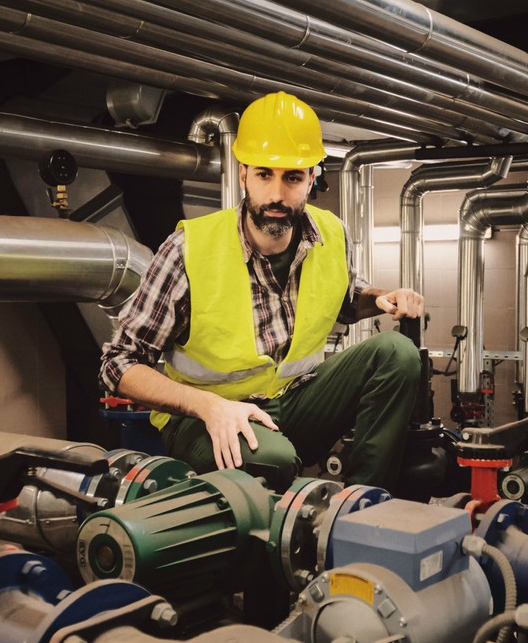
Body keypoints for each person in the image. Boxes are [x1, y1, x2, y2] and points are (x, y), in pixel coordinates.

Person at [100, 91, 425, 489]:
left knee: (397, 353)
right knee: (273, 460)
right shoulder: (188, 249)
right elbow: (118, 363)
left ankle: (360, 502)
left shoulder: (331, 233)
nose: (276, 194)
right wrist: (208, 405)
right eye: (264, 175)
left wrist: (379, 299)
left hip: (297, 401)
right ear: (243, 175)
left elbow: (341, 297)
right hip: (206, 418)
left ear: (312, 177)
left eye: (292, 177)